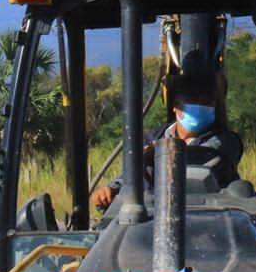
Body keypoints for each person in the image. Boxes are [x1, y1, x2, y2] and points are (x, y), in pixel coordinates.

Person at [93, 78, 243, 210]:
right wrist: (113, 188)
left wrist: (158, 152)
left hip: (211, 214)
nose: (199, 105)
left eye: (206, 102)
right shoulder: (151, 138)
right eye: (192, 100)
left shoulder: (226, 141)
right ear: (176, 106)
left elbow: (205, 156)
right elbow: (136, 174)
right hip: (153, 214)